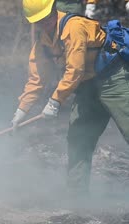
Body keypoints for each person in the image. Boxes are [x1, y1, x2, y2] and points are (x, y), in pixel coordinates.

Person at [12, 0, 129, 194]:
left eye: (47, 18)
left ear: (53, 10)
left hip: (113, 78)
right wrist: (21, 110)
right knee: (78, 138)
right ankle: (77, 198)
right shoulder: (42, 43)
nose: (45, 24)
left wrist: (55, 101)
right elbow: (36, 79)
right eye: (39, 21)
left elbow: (75, 69)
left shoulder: (73, 26)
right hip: (87, 86)